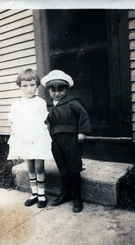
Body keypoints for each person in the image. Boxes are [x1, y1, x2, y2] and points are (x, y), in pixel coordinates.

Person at [41, 70, 91, 212]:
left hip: (71, 139)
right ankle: (65, 193)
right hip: (55, 140)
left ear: (66, 89)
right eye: (53, 90)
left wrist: (82, 131)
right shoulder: (49, 106)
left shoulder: (72, 103)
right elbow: (44, 121)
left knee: (73, 167)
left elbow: (83, 116)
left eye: (60, 89)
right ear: (49, 90)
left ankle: (77, 196)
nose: (57, 93)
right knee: (62, 166)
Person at [7, 68, 52, 208]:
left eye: (32, 85)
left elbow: (44, 122)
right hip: (25, 139)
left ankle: (42, 195)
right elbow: (13, 122)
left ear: (37, 85)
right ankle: (34, 193)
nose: (29, 89)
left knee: (39, 167)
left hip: (37, 139)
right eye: (25, 86)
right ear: (20, 86)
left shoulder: (40, 102)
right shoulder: (17, 104)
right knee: (30, 168)